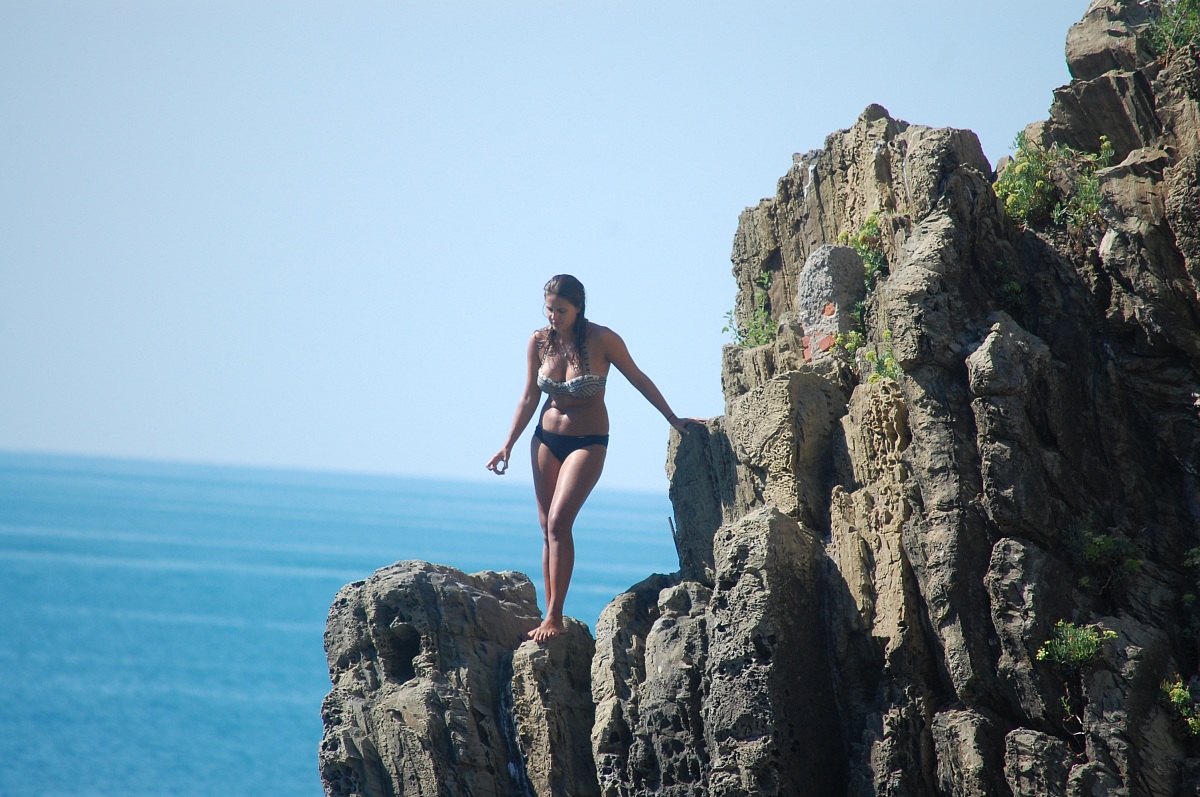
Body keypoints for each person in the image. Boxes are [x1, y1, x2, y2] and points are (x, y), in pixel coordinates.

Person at [487, 274, 700, 643]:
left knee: (558, 523)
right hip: (544, 440)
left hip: (587, 441)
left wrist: (671, 417)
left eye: (562, 310)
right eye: (549, 309)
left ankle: (555, 617)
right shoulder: (538, 342)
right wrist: (506, 443)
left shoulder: (603, 340)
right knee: (546, 529)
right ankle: (547, 612)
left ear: (579, 307)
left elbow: (638, 377)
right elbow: (528, 398)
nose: (554, 316)